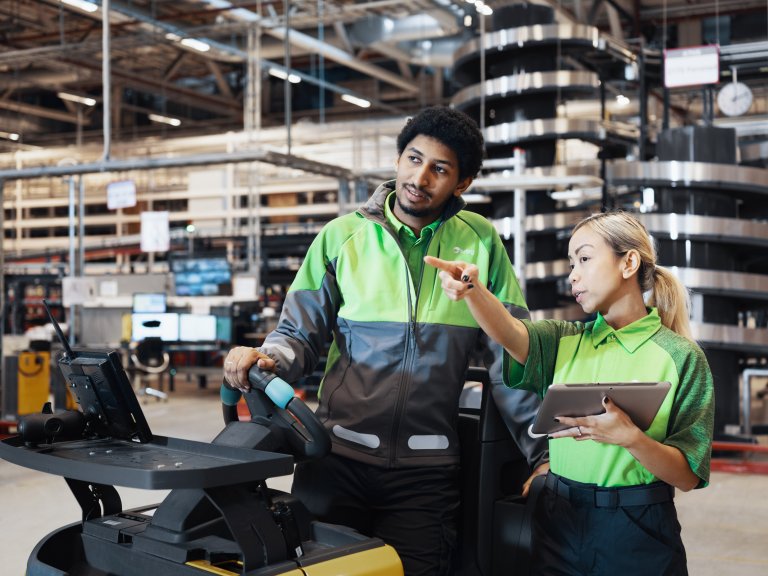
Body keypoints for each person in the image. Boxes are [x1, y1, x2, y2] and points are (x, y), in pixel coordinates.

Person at [223, 106, 549, 576]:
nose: (421, 176)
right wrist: (266, 357)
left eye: (440, 169)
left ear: (462, 184)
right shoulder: (343, 236)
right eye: (414, 159)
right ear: (398, 160)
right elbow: (298, 333)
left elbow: (513, 355)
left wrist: (543, 455)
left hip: (426, 475)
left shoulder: (479, 243)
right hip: (334, 460)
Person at [426, 210, 714, 576]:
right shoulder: (565, 340)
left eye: (585, 258)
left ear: (628, 262)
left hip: (635, 529)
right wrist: (473, 291)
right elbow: (510, 332)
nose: (572, 275)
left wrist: (631, 439)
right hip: (558, 522)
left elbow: (688, 476)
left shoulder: (681, 357)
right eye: (570, 263)